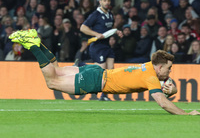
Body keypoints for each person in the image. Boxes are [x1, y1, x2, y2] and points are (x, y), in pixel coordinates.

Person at [8, 29, 200, 115]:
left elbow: (168, 88)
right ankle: (33, 46)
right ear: (159, 67)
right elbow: (163, 103)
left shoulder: (149, 67)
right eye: (168, 68)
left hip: (96, 71)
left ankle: (36, 40)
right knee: (52, 82)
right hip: (94, 80)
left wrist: (171, 89)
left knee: (56, 70)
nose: (170, 70)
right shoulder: (151, 76)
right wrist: (184, 114)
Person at [80, 0, 123, 101]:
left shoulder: (110, 14)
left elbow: (108, 30)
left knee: (110, 71)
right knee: (101, 72)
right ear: (100, 2)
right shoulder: (95, 15)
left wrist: (116, 31)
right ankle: (81, 65)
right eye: (105, 1)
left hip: (106, 46)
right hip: (97, 47)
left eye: (108, 1)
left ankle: (104, 95)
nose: (107, 3)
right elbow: (83, 28)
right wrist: (95, 34)